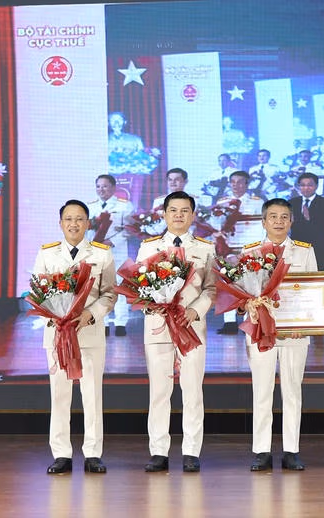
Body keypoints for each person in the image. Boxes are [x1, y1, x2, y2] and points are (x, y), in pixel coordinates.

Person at [35, 200, 116, 474]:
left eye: (79, 219)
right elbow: (37, 293)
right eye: (68, 219)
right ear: (60, 223)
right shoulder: (47, 253)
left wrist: (89, 314)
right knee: (59, 395)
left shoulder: (102, 254)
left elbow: (109, 294)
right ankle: (61, 454)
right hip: (57, 334)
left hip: (89, 333)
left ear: (88, 223)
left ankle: (93, 454)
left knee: (92, 395)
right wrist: (56, 317)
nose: (74, 224)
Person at [138, 191, 216, 473]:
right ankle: (158, 451)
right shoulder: (148, 247)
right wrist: (152, 304)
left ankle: (191, 451)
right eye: (173, 210)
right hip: (159, 327)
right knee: (159, 391)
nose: (179, 215)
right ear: (164, 214)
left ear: (193, 215)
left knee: (192, 389)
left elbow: (211, 288)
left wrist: (196, 310)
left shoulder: (205, 248)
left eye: (185, 211)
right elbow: (138, 285)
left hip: (191, 327)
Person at [245, 198, 318, 472]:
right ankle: (261, 451)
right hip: (260, 330)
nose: (278, 221)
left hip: (294, 333)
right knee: (261, 390)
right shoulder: (250, 251)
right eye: (273, 217)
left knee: (292, 390)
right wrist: (248, 304)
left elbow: (314, 290)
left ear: (291, 221)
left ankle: (291, 450)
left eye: (284, 217)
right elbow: (241, 292)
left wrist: (306, 324)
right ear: (263, 221)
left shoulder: (304, 251)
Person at [215, 171, 265, 335]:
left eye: (240, 182)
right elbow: (216, 227)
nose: (236, 185)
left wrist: (254, 251)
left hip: (249, 250)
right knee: (228, 285)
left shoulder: (258, 203)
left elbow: (262, 229)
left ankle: (249, 321)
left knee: (251, 287)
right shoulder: (222, 202)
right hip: (228, 250)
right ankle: (229, 322)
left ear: (247, 184)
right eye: (233, 182)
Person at [87, 174, 134, 337]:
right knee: (100, 287)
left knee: (119, 286)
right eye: (98, 186)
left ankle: (121, 323)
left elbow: (129, 229)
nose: (101, 189)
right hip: (97, 252)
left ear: (113, 188)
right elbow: (86, 230)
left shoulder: (125, 205)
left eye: (105, 186)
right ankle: (104, 322)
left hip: (117, 250)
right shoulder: (90, 206)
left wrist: (112, 242)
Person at [289, 173, 324, 271]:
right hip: (297, 249)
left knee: (318, 278)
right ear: (299, 186)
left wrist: (310, 218)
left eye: (310, 185)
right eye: (303, 185)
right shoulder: (292, 203)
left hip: (318, 251)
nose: (306, 188)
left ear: (316, 186)